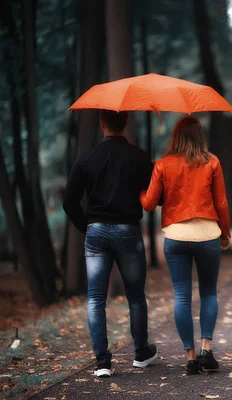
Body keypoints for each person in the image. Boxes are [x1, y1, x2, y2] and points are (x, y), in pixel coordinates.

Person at [63, 110, 158, 377]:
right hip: (128, 231)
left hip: (96, 233)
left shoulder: (86, 158)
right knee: (136, 296)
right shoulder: (139, 156)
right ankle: (141, 353)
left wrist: (87, 227)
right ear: (125, 122)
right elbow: (154, 196)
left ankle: (103, 362)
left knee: (95, 299)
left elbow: (69, 201)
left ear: (101, 123)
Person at [140, 116, 231, 375]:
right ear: (200, 136)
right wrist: (225, 233)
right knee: (209, 293)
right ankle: (206, 351)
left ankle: (190, 357)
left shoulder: (163, 164)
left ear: (175, 137)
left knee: (182, 296)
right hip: (207, 236)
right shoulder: (212, 162)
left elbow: (148, 204)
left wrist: (141, 191)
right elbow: (221, 203)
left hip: (176, 237)